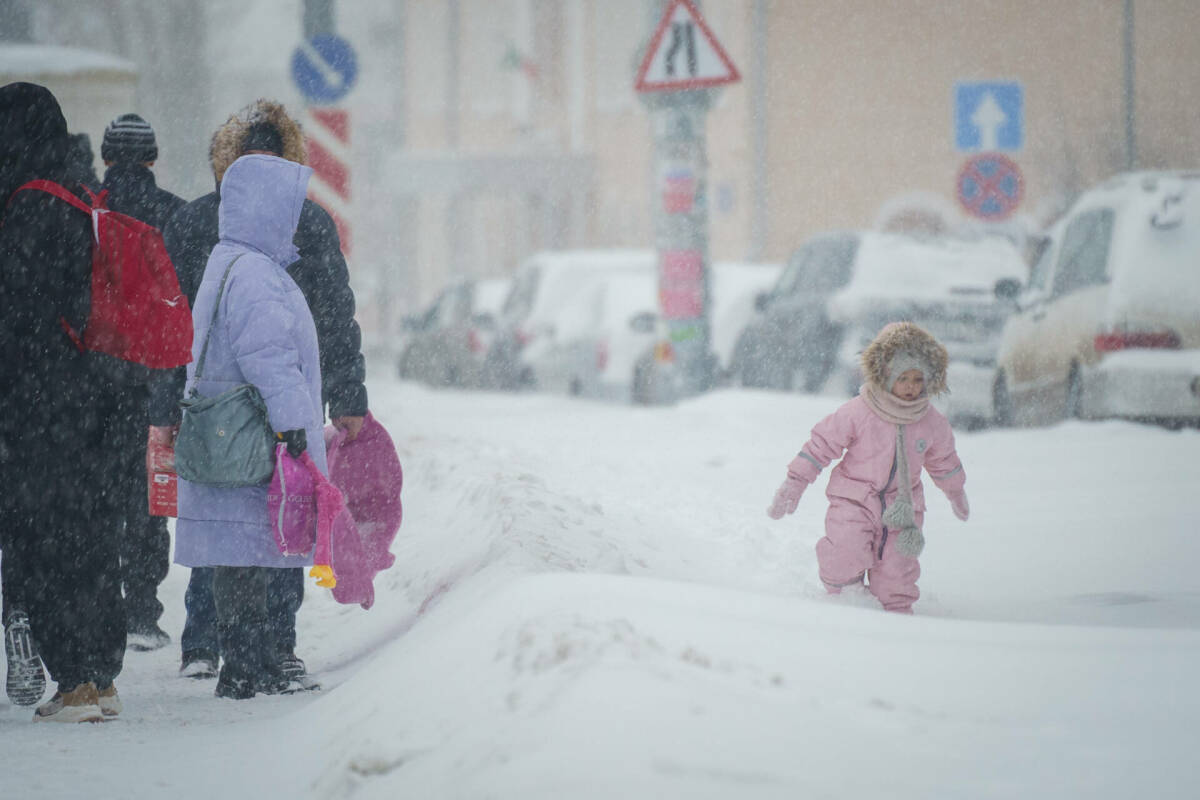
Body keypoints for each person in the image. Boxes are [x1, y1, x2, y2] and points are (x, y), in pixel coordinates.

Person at [156, 99, 368, 682]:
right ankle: (232, 651)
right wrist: (295, 422)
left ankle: (259, 648)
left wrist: (349, 396)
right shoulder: (228, 243)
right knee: (250, 532)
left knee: (258, 529)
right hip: (255, 416)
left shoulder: (282, 233)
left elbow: (334, 317)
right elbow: (192, 332)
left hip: (229, 413)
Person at [175, 152, 325, 699]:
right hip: (254, 439)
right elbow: (269, 358)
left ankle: (244, 662)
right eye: (288, 207)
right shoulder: (257, 275)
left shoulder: (229, 260)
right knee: (250, 560)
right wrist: (293, 426)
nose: (294, 219)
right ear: (265, 209)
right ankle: (247, 666)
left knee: (240, 558)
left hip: (229, 435)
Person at [0, 82, 127, 721]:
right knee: (91, 534)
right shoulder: (84, 197)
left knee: (44, 536)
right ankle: (101, 677)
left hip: (38, 401)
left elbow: (18, 316)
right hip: (96, 393)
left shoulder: (25, 206)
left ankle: (73, 679)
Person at [766, 321, 970, 613]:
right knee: (845, 554)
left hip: (903, 508)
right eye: (903, 378)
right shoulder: (860, 412)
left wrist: (955, 491)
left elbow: (944, 460)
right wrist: (795, 481)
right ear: (885, 376)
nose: (911, 387)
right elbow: (821, 445)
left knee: (897, 576)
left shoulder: (930, 422)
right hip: (854, 499)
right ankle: (843, 605)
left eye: (917, 379)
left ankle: (896, 620)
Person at [99, 112, 186, 651]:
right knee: (150, 498)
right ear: (153, 158)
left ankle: (102, 602)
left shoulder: (86, 209)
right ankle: (141, 611)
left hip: (96, 379)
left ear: (107, 157)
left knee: (97, 494)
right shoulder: (175, 216)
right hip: (159, 378)